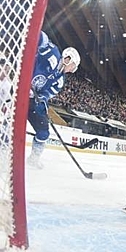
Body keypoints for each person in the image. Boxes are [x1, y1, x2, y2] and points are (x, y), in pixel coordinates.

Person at [26, 32, 81, 169]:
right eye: (73, 66)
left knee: (44, 132)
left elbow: (46, 94)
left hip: (31, 101)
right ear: (68, 59)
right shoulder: (53, 54)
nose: (71, 70)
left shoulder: (60, 81)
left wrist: (42, 101)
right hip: (18, 89)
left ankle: (34, 158)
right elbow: (41, 38)